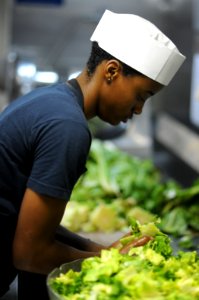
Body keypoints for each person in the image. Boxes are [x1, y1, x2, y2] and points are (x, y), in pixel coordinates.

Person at [0, 9, 185, 299]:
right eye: (141, 96)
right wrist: (109, 261)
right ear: (111, 71)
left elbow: (31, 226)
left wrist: (101, 250)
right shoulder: (68, 127)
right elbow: (30, 253)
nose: (138, 110)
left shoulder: (51, 101)